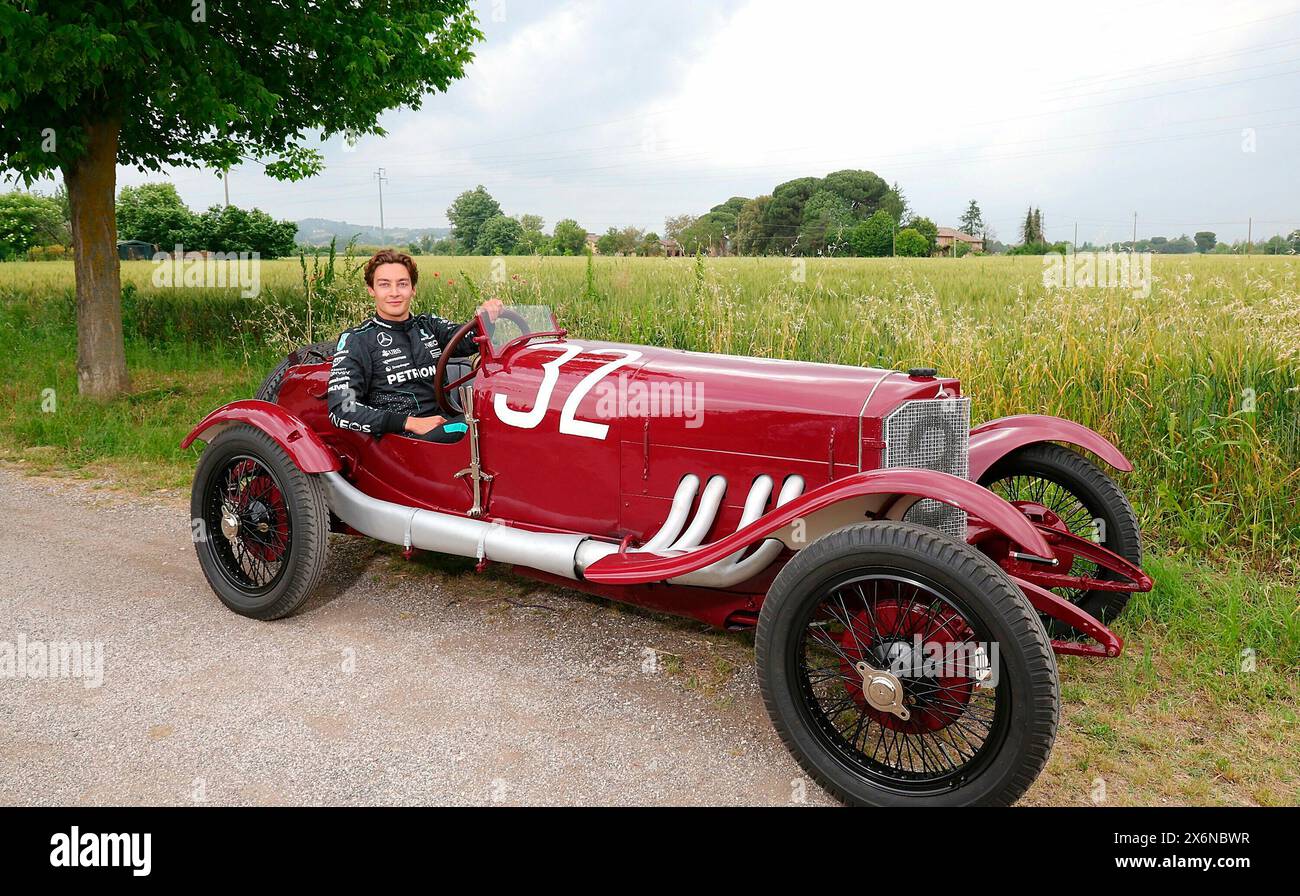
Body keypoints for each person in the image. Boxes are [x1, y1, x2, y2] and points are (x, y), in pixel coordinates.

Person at [327, 249, 503, 443]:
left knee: (499, 423)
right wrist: (409, 422)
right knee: (475, 429)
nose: (394, 293)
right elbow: (342, 409)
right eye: (384, 285)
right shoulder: (357, 339)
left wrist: (487, 316)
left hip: (447, 427)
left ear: (413, 289)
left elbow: (467, 340)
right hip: (401, 440)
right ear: (371, 290)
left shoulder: (428, 324)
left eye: (402, 284)